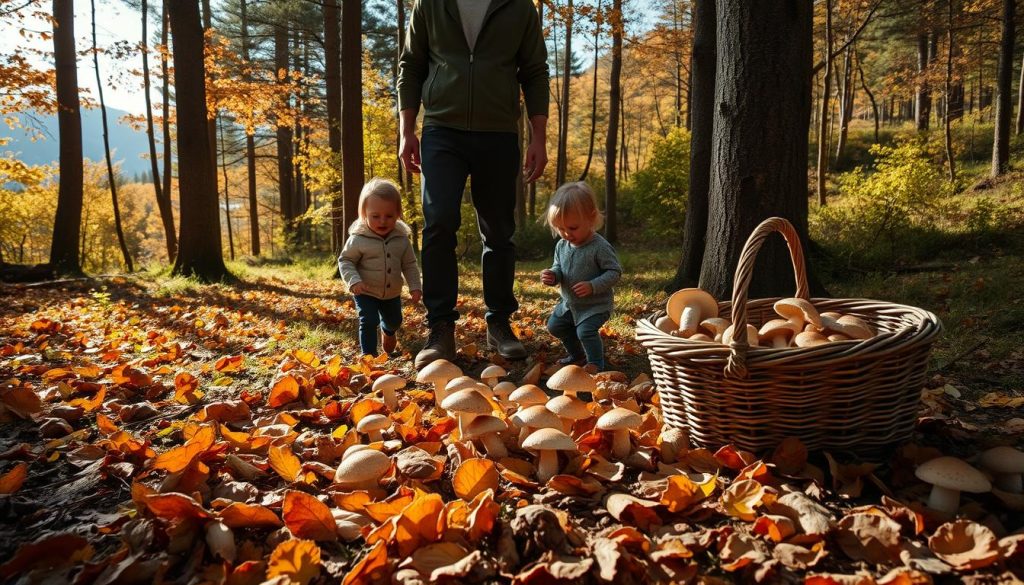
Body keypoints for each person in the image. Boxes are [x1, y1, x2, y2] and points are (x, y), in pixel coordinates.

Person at [397, 0, 549, 369]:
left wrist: (538, 137)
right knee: (438, 222)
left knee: (498, 231)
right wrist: (406, 130)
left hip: (497, 133)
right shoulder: (430, 5)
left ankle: (499, 322)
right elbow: (411, 66)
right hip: (440, 131)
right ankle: (440, 328)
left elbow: (534, 72)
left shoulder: (520, 8)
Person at [540, 182, 622, 372]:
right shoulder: (562, 245)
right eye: (560, 229)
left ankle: (595, 363)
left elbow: (614, 272)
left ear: (591, 218)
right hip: (569, 305)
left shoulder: (599, 246)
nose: (566, 234)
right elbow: (558, 266)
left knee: (585, 331)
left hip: (595, 305)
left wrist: (593, 285)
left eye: (573, 227)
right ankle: (577, 355)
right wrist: (553, 275)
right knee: (555, 326)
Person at [338, 178, 423, 357]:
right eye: (375, 216)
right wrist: (354, 281)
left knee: (394, 321)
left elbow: (409, 264)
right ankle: (368, 356)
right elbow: (346, 260)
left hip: (391, 293)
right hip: (365, 290)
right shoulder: (358, 238)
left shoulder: (401, 239)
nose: (382, 221)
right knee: (368, 320)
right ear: (364, 214)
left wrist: (415, 286)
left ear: (398, 214)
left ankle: (388, 331)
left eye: (389, 216)